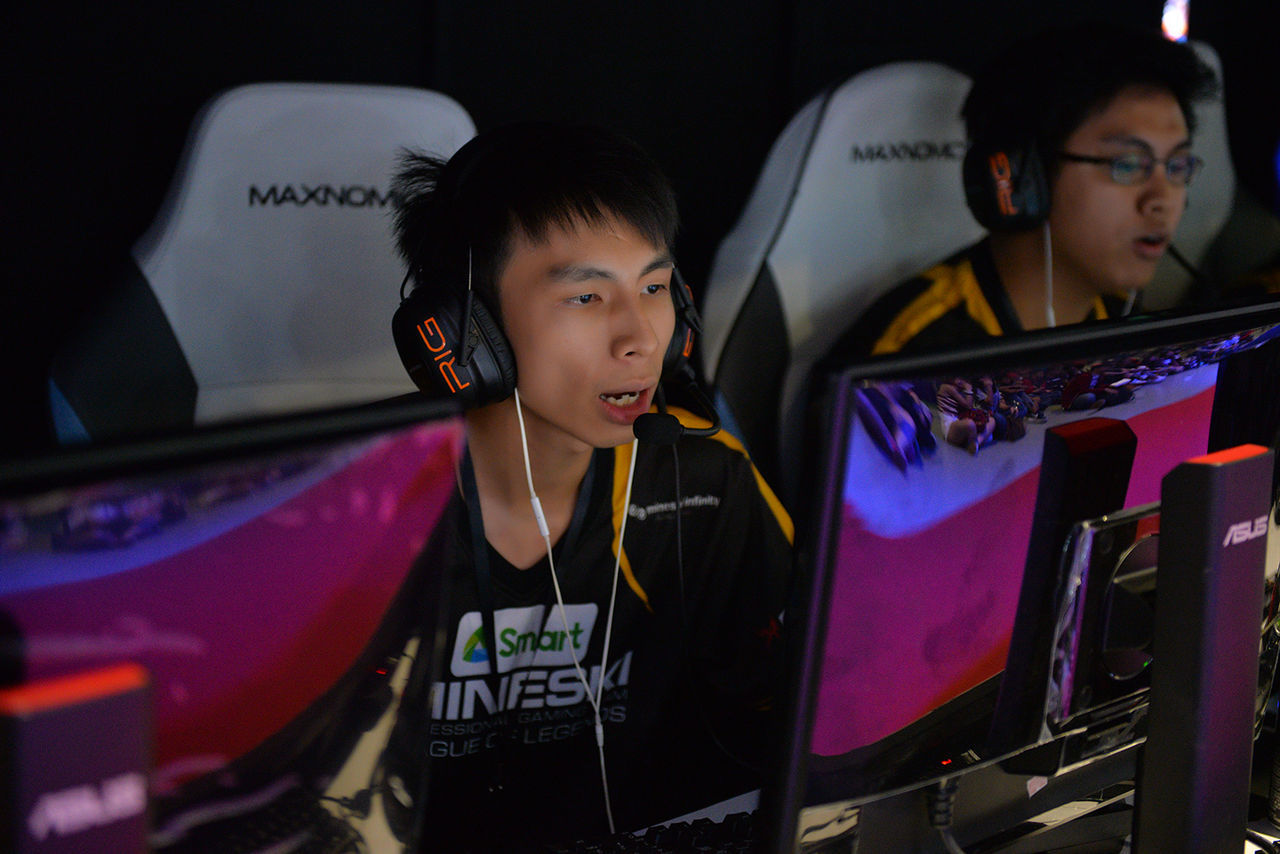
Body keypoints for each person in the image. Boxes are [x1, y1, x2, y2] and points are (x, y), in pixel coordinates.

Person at [387, 121, 793, 852]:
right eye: (587, 298)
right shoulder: (352, 516)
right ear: (462, 333)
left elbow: (805, 712)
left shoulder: (702, 483)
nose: (639, 337)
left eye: (656, 287)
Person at [825, 22, 1220, 361]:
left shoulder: (1130, 339)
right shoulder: (907, 360)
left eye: (1177, 166)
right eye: (1127, 165)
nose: (1161, 200)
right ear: (1020, 175)